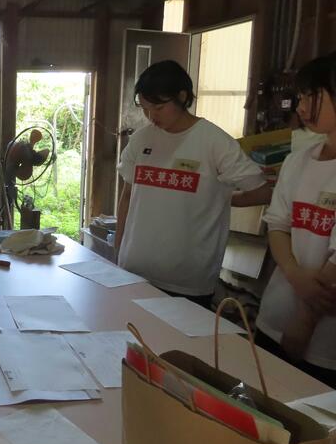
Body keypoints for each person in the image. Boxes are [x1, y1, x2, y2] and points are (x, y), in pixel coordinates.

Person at [116, 60, 273, 308]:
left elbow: (262, 192)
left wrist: (220, 198)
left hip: (187, 281)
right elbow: (127, 196)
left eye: (158, 107)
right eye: (146, 108)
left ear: (182, 96)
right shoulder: (141, 139)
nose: (151, 116)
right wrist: (118, 253)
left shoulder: (214, 141)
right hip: (134, 271)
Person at [254, 53, 336, 388]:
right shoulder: (298, 161)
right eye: (300, 97)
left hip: (323, 339)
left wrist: (304, 320)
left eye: (310, 96)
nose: (300, 107)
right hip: (274, 317)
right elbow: (277, 224)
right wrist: (294, 274)